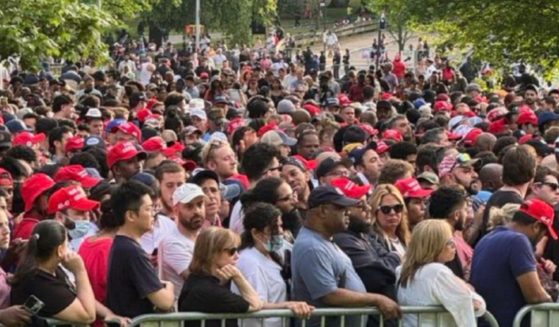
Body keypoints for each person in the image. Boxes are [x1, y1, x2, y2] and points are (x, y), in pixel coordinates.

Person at [292, 185, 401, 327]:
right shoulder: (311, 246)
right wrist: (377, 299)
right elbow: (329, 295)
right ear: (323, 210)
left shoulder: (325, 239)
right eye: (341, 208)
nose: (347, 212)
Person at [471, 198, 555, 327]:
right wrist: (552, 302)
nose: (543, 238)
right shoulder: (518, 241)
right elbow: (535, 296)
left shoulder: (487, 238)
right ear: (536, 226)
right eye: (544, 232)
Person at [235, 202, 314, 327]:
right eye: (273, 228)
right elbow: (256, 303)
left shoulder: (273, 254)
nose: (280, 232)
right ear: (256, 233)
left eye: (280, 226)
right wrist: (288, 305)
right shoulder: (250, 261)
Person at [396, 220, 486, 327]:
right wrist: (467, 289)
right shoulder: (437, 272)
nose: (454, 246)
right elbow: (475, 304)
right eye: (449, 242)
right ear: (435, 246)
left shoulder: (401, 270)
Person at [106, 180, 175, 317]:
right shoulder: (131, 252)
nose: (153, 214)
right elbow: (164, 301)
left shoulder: (123, 246)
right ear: (131, 215)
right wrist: (170, 288)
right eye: (148, 209)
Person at [10, 220, 96, 324]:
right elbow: (88, 316)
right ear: (60, 250)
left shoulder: (49, 270)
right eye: (67, 243)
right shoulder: (40, 284)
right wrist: (80, 271)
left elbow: (76, 296)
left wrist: (108, 313)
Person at [178, 227, 263, 327]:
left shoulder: (196, 280)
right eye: (232, 251)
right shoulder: (208, 290)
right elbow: (255, 304)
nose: (237, 256)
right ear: (213, 253)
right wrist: (238, 276)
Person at [159, 183, 206, 301]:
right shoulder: (172, 242)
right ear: (176, 210)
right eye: (189, 206)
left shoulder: (204, 236)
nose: (197, 211)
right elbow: (197, 280)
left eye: (200, 205)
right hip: (182, 314)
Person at [370, 184, 411, 257]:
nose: (392, 213)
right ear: (375, 211)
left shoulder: (407, 238)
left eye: (397, 208)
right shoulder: (372, 240)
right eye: (386, 209)